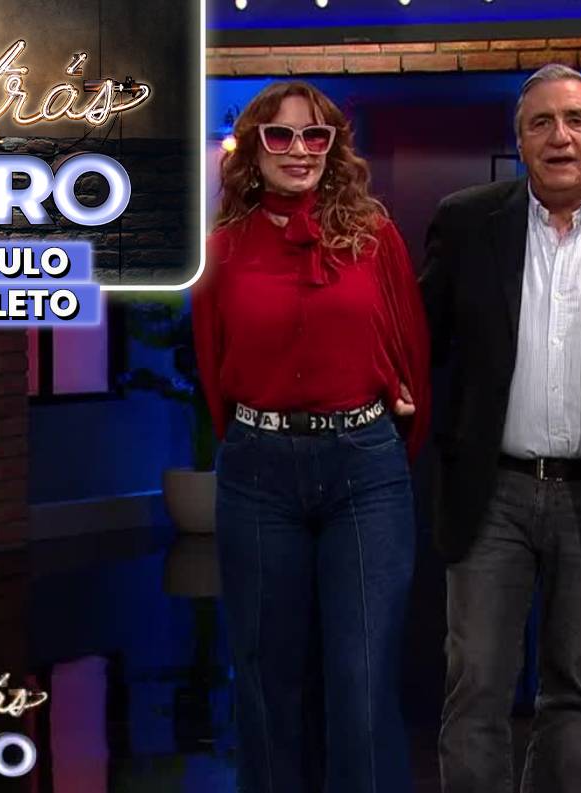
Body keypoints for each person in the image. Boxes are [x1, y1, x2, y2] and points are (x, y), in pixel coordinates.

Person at [420, 64, 581, 793]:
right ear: (520, 140)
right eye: (541, 123)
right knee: (475, 682)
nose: (559, 137)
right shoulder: (467, 222)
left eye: (575, 121)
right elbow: (423, 340)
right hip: (491, 490)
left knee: (577, 686)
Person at [192, 80, 430, 793]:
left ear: (333, 148)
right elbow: (212, 365)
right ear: (254, 148)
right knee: (268, 679)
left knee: (362, 678)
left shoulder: (375, 237)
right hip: (257, 474)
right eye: (281, 135)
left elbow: (411, 347)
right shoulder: (222, 248)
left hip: (366, 470)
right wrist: (255, 441)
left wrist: (388, 428)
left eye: (315, 136)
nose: (299, 149)